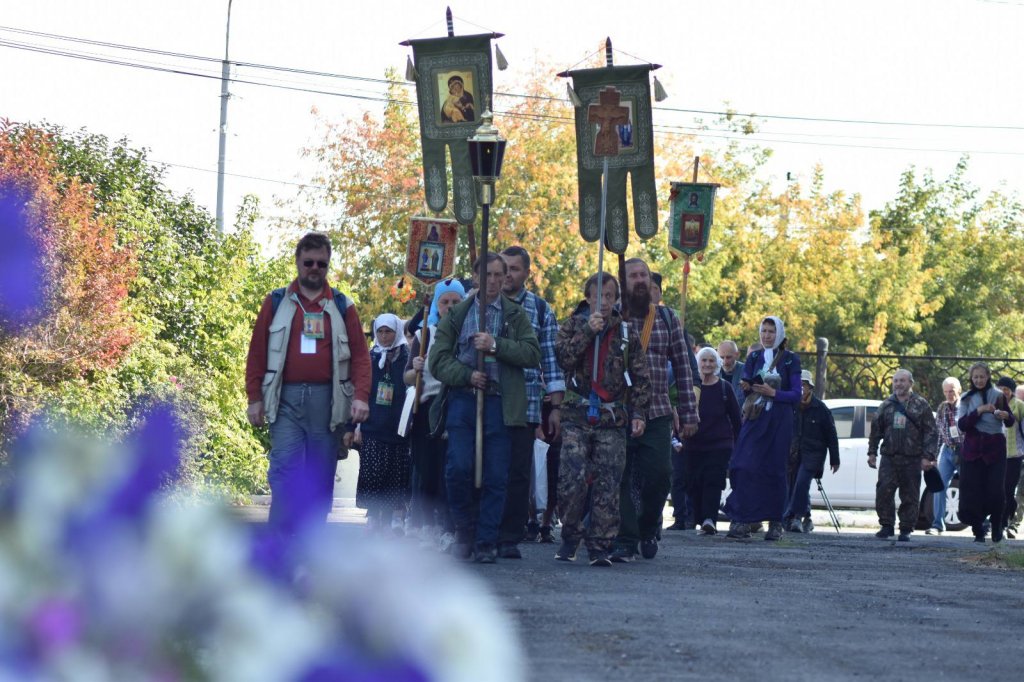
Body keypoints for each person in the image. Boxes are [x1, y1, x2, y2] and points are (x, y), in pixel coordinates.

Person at [245, 232, 371, 535]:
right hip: (285, 399)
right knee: (284, 468)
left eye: (321, 264)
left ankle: (311, 542)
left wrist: (361, 397)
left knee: (320, 475)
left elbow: (360, 357)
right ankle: (280, 539)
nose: (315, 268)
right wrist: (254, 397)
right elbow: (257, 352)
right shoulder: (276, 302)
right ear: (298, 262)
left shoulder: (342, 305)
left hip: (328, 403)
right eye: (309, 262)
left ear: (328, 265)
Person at [429, 252, 541, 563]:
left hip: (500, 402)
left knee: (496, 474)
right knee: (459, 467)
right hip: (463, 401)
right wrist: (467, 375)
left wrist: (495, 346)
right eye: (486, 275)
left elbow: (531, 353)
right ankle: (464, 532)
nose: (492, 281)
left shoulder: (514, 315)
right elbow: (438, 361)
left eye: (497, 275)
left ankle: (487, 540)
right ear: (475, 277)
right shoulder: (458, 314)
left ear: (505, 278)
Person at [553, 273, 650, 566]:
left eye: (609, 296)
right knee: (572, 479)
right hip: (577, 415)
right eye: (598, 296)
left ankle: (600, 545)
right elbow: (563, 359)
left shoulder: (625, 332)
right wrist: (587, 332)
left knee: (608, 484)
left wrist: (639, 413)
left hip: (612, 417)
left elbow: (641, 376)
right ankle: (571, 535)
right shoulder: (572, 325)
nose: (604, 302)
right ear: (587, 298)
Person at [611, 258, 699, 562]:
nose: (639, 280)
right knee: (619, 476)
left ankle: (648, 528)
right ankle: (626, 537)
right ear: (623, 281)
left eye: (644, 275)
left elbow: (684, 367)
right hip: (618, 410)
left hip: (658, 411)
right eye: (633, 275)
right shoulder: (612, 316)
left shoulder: (666, 317)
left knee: (660, 475)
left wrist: (689, 413)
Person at [497, 246, 565, 559]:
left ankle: (510, 536)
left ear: (526, 273)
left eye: (514, 269)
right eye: (503, 268)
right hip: (489, 397)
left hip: (527, 402)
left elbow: (550, 357)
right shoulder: (483, 303)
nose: (508, 274)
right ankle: (484, 530)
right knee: (485, 468)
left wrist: (555, 406)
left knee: (518, 472)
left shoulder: (539, 309)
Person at [724, 316, 801, 541]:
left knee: (775, 469)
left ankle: (776, 522)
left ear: (779, 333)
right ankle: (743, 518)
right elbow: (747, 385)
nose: (767, 335)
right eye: (764, 331)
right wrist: (749, 386)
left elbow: (796, 394)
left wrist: (774, 393)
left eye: (771, 331)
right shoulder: (755, 356)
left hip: (779, 419)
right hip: (756, 417)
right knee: (742, 464)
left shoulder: (790, 360)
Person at [404, 279, 465, 545]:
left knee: (450, 469)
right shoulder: (424, 335)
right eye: (445, 302)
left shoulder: (467, 333)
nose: (450, 307)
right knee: (427, 468)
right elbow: (406, 377)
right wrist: (415, 366)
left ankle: (449, 526)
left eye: (456, 302)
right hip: (427, 408)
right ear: (437, 305)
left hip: (456, 404)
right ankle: (426, 524)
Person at [348, 314, 410, 534]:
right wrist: (354, 426)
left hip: (398, 428)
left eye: (389, 332)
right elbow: (359, 392)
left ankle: (395, 516)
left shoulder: (406, 357)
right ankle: (374, 515)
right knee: (372, 473)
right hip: (372, 426)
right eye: (380, 332)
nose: (384, 336)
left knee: (396, 474)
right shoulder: (370, 358)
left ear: (397, 332)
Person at [867, 369, 937, 542]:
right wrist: (872, 452)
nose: (898, 384)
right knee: (884, 492)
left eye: (902, 381)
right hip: (889, 457)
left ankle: (906, 528)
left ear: (910, 383)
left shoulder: (921, 404)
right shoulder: (886, 405)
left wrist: (928, 456)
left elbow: (931, 432)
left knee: (910, 495)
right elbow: (876, 430)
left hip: (912, 458)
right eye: (896, 381)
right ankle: (886, 525)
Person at [684, 347, 741, 535]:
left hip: (720, 444)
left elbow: (736, 418)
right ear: (697, 363)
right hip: (693, 444)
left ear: (717, 364)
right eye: (704, 360)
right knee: (694, 482)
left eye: (711, 361)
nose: (707, 364)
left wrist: (739, 444)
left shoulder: (725, 387)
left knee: (713, 480)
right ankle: (699, 518)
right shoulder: (691, 387)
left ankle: (710, 519)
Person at [957, 363, 1015, 543]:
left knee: (996, 492)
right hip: (972, 451)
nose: (979, 380)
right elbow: (962, 425)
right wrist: (979, 411)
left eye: (982, 377)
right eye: (975, 377)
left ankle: (997, 526)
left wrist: (1005, 416)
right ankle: (978, 528)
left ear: (988, 377)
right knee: (973, 491)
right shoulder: (966, 398)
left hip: (994, 450)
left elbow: (1010, 421)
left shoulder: (998, 395)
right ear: (971, 378)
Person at [784, 370, 840, 533]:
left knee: (802, 483)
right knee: (794, 486)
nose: (801, 388)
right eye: (798, 385)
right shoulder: (790, 406)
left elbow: (831, 435)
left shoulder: (821, 409)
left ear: (810, 388)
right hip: (793, 453)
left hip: (813, 455)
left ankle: (795, 517)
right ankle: (806, 516)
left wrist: (834, 459)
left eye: (804, 385)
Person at [926, 377, 965, 535]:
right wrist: (934, 456)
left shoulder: (966, 407)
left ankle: (981, 522)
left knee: (971, 487)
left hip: (964, 451)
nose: (949, 394)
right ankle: (937, 525)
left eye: (952, 391)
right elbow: (938, 434)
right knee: (938, 486)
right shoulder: (942, 407)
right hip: (948, 450)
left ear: (959, 391)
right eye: (946, 391)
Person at [997, 376, 1024, 539]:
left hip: (1014, 454)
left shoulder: (1019, 406)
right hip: (996, 454)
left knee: (1008, 489)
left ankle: (1006, 520)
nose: (1003, 392)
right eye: (1000, 389)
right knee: (997, 489)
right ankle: (1000, 521)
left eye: (1006, 389)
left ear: (1011, 390)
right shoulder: (994, 403)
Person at [1010, 384, 1024, 538]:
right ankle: (1010, 523)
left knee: (1021, 493)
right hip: (1013, 457)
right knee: (1012, 492)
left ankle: (1014, 524)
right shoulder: (1010, 411)